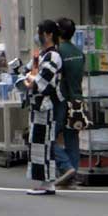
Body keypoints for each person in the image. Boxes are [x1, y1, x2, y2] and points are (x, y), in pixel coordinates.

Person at [22, 20, 64, 196]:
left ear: (48, 34)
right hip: (38, 104)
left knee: (45, 142)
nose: (37, 35)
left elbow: (39, 81)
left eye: (39, 32)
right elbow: (26, 72)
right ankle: (44, 182)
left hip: (47, 104)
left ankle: (48, 182)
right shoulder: (42, 55)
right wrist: (28, 78)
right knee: (38, 142)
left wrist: (29, 80)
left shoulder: (53, 56)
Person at [55, 17, 84, 189]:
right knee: (72, 137)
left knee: (49, 137)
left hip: (62, 99)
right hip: (77, 100)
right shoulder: (78, 52)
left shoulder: (58, 52)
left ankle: (66, 167)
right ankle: (71, 176)